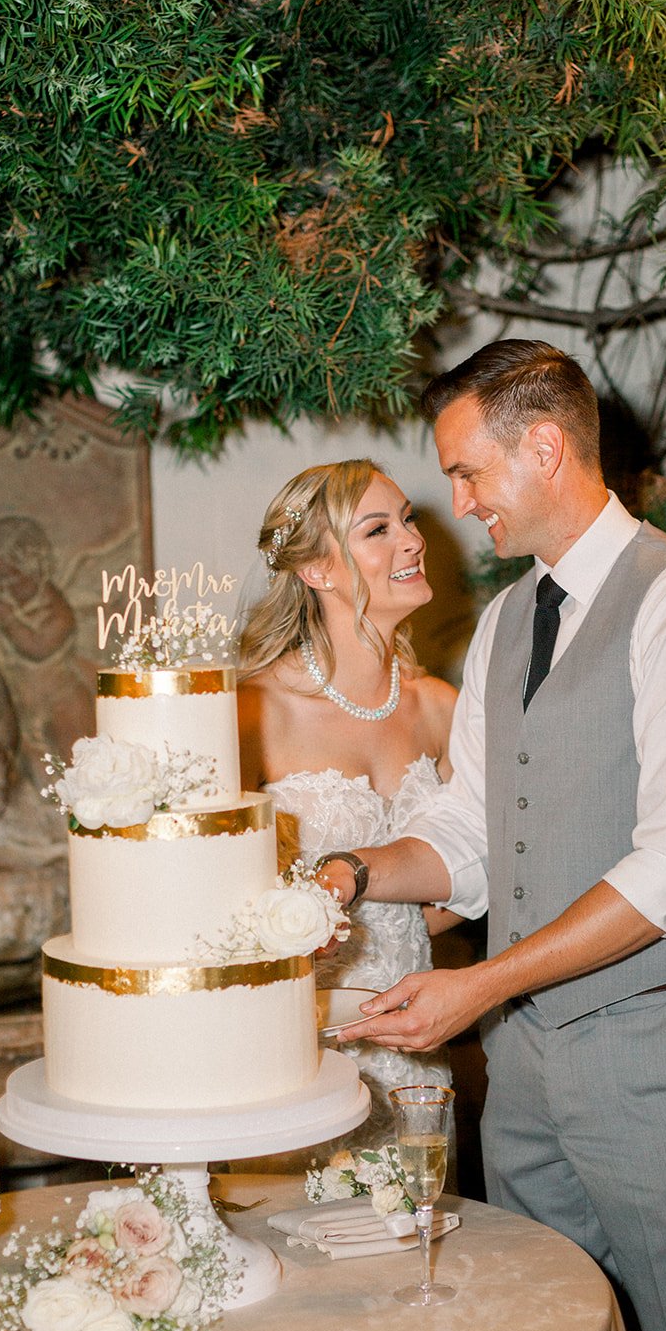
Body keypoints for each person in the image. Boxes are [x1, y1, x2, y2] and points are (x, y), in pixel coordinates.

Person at [321, 342, 666, 1331]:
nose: (458, 503)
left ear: (543, 446)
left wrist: (475, 984)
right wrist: (346, 874)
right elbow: (473, 837)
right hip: (521, 1069)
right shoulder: (502, 623)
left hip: (651, 1056)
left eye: (467, 472)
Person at [237, 459, 460, 1154]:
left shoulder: (442, 709)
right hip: (289, 1045)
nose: (411, 539)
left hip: (411, 1046)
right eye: (376, 529)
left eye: (408, 520)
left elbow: (473, 868)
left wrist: (397, 941)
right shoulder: (252, 710)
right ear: (316, 570)